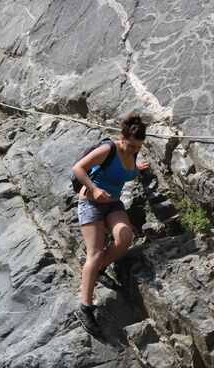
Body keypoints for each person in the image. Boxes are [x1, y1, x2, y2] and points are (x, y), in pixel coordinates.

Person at [72, 114, 150, 337]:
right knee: (94, 253)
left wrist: (138, 169)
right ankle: (85, 308)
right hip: (91, 203)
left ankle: (97, 271)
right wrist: (94, 188)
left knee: (125, 237)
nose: (135, 150)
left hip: (113, 203)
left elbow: (127, 171)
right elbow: (78, 168)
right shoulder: (109, 149)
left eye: (139, 147)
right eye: (132, 145)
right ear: (122, 138)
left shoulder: (133, 154)